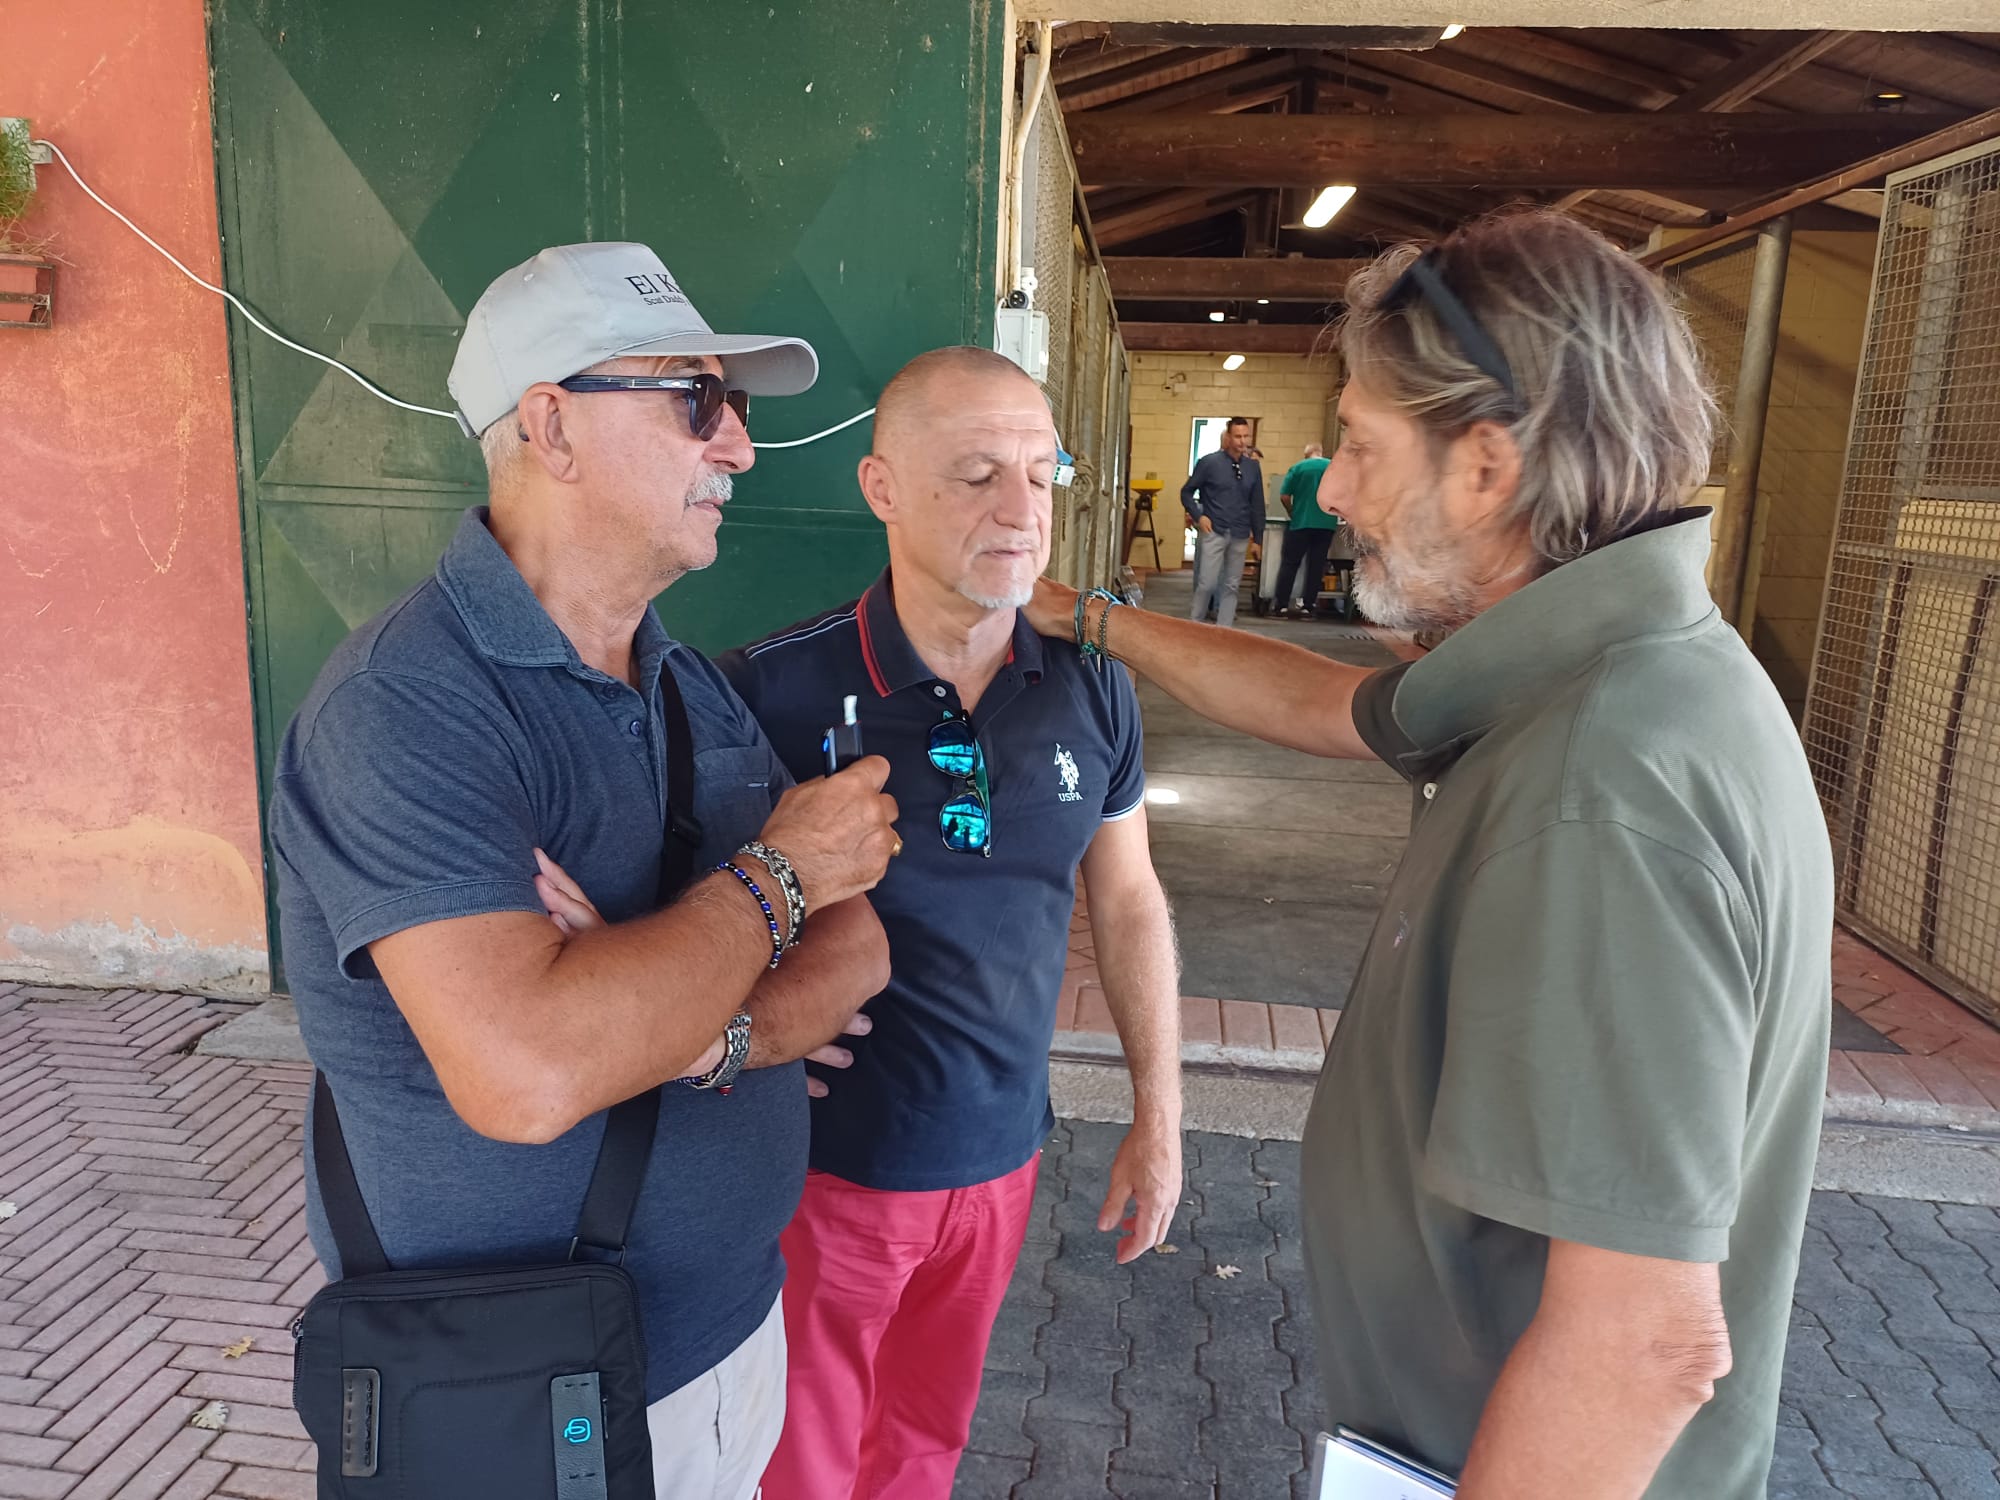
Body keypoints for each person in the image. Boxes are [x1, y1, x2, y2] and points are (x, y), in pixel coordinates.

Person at [1027, 211, 1832, 1499]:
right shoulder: (1598, 670)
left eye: (1358, 444)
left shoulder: (1596, 792)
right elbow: (1321, 704)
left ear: (1486, 468)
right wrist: (1081, 617)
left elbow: (1644, 1346)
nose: (1333, 490)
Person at [268, 242, 902, 1500]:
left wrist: (699, 1030)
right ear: (551, 424)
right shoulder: (405, 708)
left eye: (731, 407)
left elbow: (860, 946)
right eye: (698, 402)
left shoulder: (685, 682)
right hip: (523, 1389)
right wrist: (775, 881)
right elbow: (531, 1070)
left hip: (729, 1335)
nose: (739, 448)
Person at [721, 346, 1184, 1500]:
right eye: (976, 474)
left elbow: (1127, 898)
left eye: (1039, 473)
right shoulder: (770, 689)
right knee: (804, 1463)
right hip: (830, 1168)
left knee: (924, 1445)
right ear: (880, 488)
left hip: (1001, 1155)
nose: (1019, 511)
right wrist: (753, 1022)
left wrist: (1159, 1112)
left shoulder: (1091, 684)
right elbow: (692, 912)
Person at [1181, 417, 1264, 628]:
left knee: (1232, 586)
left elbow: (1257, 504)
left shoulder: (1253, 468)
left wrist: (1258, 538)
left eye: (1245, 436)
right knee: (1207, 583)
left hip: (1240, 533)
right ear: (1228, 437)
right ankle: (1195, 625)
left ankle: (1224, 631)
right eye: (1237, 436)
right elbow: (1186, 492)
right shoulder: (1209, 463)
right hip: (1214, 530)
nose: (1242, 441)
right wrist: (1199, 516)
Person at [1273, 442, 1339, 619]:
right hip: (1326, 524)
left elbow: (1284, 496)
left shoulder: (1298, 467)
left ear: (1306, 454)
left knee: (1290, 564)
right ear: (1320, 452)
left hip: (1301, 522)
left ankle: (1281, 606)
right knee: (1316, 566)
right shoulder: (1333, 467)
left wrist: (1292, 511)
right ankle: (1309, 607)